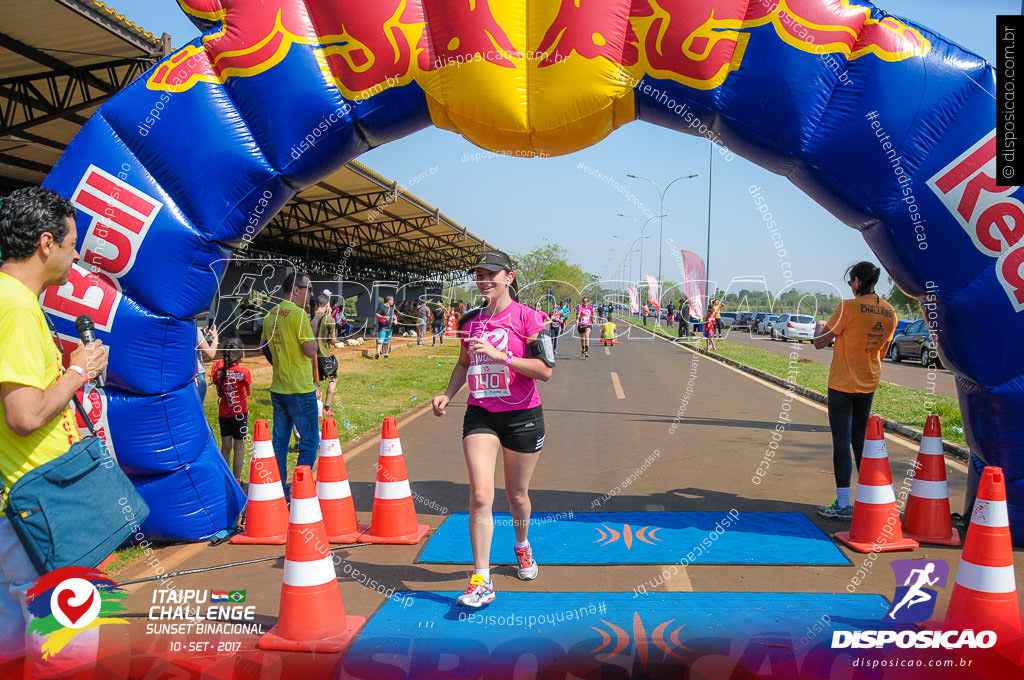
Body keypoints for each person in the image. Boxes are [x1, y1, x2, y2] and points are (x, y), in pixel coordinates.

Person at [0, 187, 108, 669]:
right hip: (40, 504)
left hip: (14, 503)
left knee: (13, 641)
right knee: (67, 647)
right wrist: (78, 371)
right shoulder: (18, 308)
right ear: (47, 243)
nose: (75, 257)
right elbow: (24, 415)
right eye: (72, 245)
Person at [431, 250, 553, 608]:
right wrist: (448, 393)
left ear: (509, 278)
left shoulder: (530, 318)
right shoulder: (469, 322)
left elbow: (545, 370)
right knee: (481, 495)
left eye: (491, 275)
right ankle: (481, 579)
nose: (484, 281)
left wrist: (505, 358)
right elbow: (463, 364)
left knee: (517, 496)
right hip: (481, 414)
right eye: (479, 275)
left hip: (523, 417)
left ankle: (522, 545)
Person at [813, 261, 896, 519]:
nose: (850, 287)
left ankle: (843, 504)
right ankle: (869, 501)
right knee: (860, 441)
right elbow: (882, 351)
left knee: (841, 442)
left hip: (842, 383)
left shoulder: (847, 307)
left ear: (858, 281)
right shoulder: (890, 312)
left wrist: (820, 324)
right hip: (869, 381)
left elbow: (819, 343)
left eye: (851, 282)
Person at [261, 266, 320, 494]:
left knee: (280, 442)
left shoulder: (270, 315)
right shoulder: (298, 315)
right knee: (309, 440)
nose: (311, 294)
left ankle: (278, 489)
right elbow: (309, 350)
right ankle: (301, 489)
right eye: (309, 289)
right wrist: (313, 330)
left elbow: (265, 346)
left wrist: (279, 363)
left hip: (279, 388)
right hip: (300, 388)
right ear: (296, 290)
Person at [211, 338, 251, 481]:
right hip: (240, 414)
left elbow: (219, 393)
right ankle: (237, 480)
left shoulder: (217, 371)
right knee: (239, 447)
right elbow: (249, 392)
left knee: (226, 446)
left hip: (224, 413)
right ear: (241, 356)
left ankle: (227, 478)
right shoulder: (244, 372)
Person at [313, 294, 338, 416]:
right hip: (324, 355)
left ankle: (314, 405)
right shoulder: (329, 320)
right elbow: (333, 340)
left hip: (311, 355)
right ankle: (326, 407)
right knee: (333, 380)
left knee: (315, 381)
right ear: (327, 304)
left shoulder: (307, 318)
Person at [196, 320, 219, 402]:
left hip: (178, 375)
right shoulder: (193, 330)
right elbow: (210, 354)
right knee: (198, 408)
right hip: (196, 375)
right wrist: (215, 337)